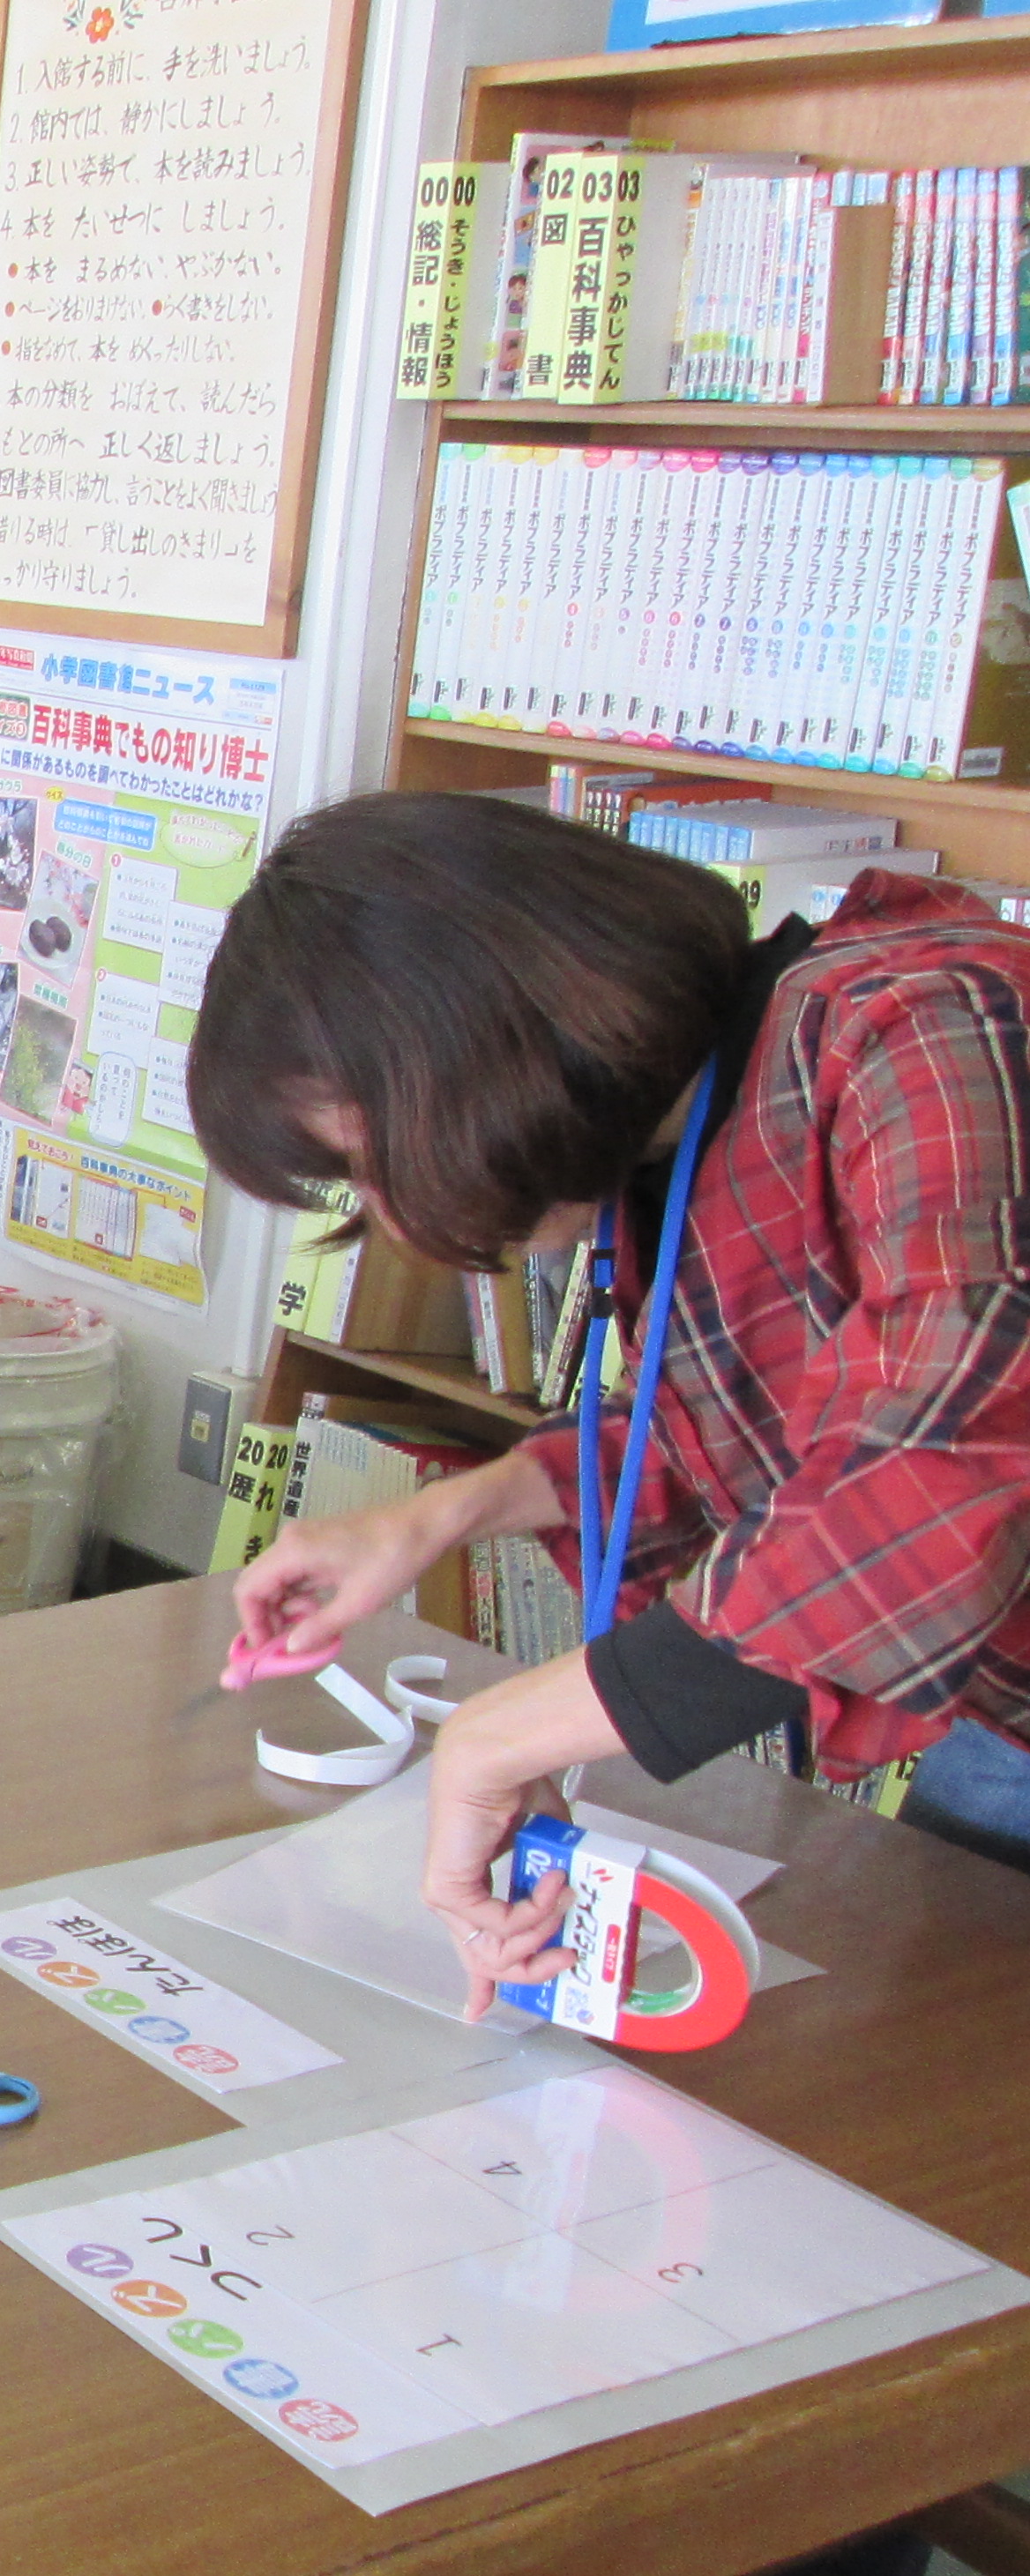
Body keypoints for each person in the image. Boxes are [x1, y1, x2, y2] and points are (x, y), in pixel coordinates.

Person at [200, 792, 1030, 1993]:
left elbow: (941, 1472)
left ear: (487, 1049)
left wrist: (514, 1728)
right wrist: (439, 1516)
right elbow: (729, 1433)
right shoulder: (683, 1138)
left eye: (374, 1166)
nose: (399, 1224)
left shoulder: (923, 1031)